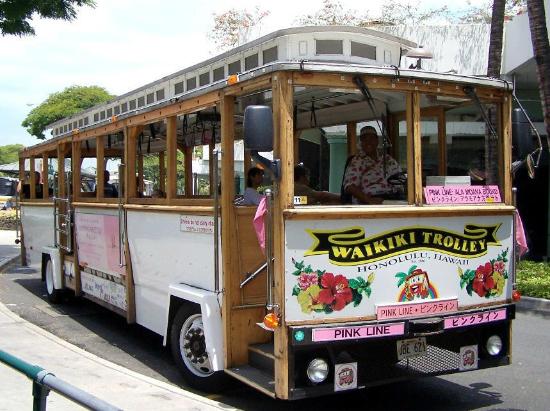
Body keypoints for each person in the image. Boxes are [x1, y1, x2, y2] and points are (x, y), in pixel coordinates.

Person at [342, 126, 402, 204]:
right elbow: (349, 186)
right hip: (368, 201)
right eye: (365, 139)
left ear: (377, 141)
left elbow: (401, 178)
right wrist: (369, 200)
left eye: (371, 138)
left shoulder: (388, 159)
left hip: (392, 199)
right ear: (361, 142)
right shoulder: (357, 161)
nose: (368, 142)